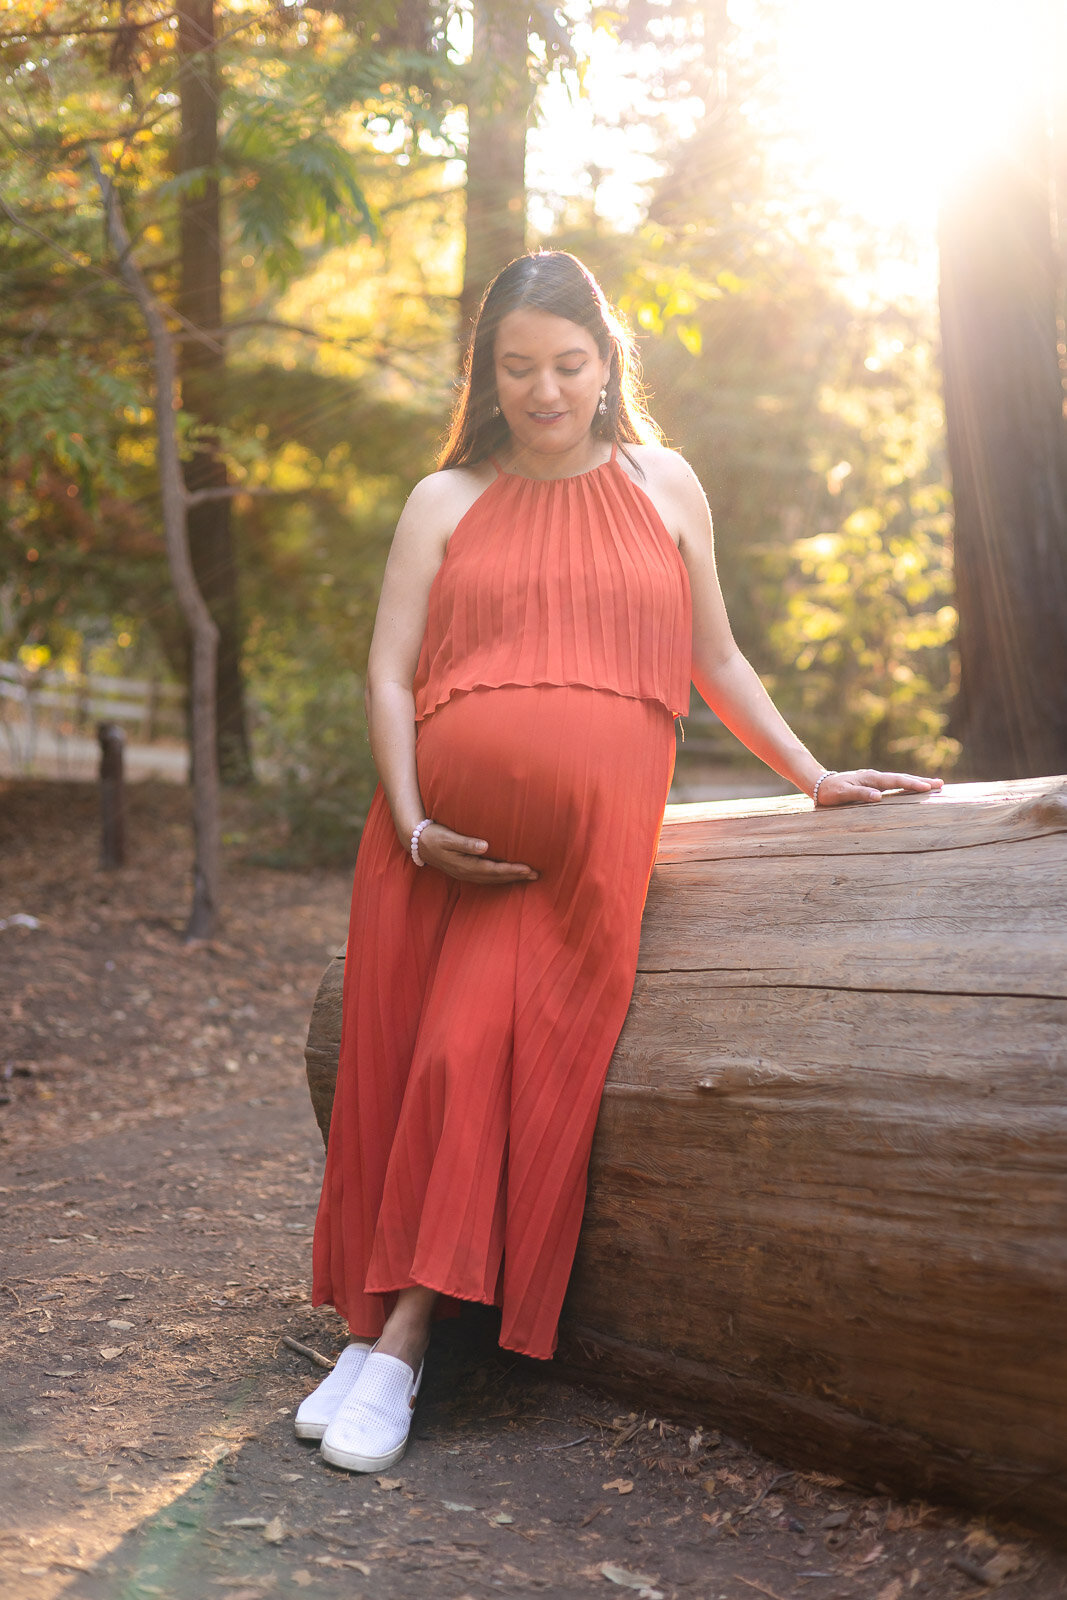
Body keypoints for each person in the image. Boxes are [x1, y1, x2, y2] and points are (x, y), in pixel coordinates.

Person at [296, 250, 942, 1474]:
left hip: (578, 864)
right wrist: (420, 819)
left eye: (568, 364)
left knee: (463, 1051)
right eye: (518, 367)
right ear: (486, 376)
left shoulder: (664, 486)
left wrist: (810, 774)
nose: (545, 390)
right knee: (422, 1056)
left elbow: (718, 658)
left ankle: (403, 1342)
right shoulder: (445, 498)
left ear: (606, 364)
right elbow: (386, 671)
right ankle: (379, 1332)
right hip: (438, 848)